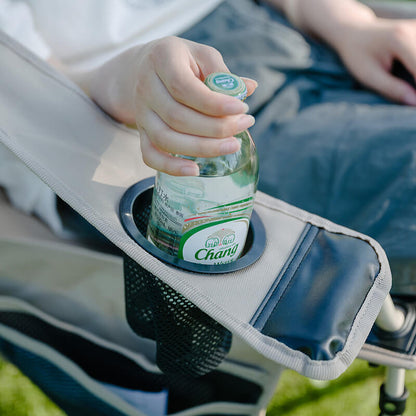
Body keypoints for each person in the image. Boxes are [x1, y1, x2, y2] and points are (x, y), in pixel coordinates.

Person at [1, 0, 416, 293]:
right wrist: (127, 83)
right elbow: (24, 91)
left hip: (294, 41)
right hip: (143, 117)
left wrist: (352, 23)